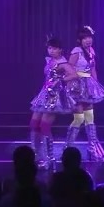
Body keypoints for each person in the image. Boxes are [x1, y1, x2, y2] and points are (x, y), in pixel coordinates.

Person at [29, 36, 78, 169]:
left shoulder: (63, 63)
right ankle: (35, 154)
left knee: (44, 126)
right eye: (49, 48)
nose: (51, 50)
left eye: (54, 48)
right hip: (44, 94)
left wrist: (61, 80)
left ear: (60, 49)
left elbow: (74, 75)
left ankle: (49, 158)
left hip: (54, 97)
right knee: (34, 123)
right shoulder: (50, 60)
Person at [65, 26, 104, 161]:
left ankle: (92, 148)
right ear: (80, 40)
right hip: (77, 86)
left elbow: (93, 69)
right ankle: (68, 148)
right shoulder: (76, 51)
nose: (88, 40)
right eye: (85, 38)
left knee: (90, 118)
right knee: (79, 118)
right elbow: (68, 68)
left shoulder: (91, 51)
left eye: (90, 37)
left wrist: (95, 85)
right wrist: (70, 85)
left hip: (88, 87)